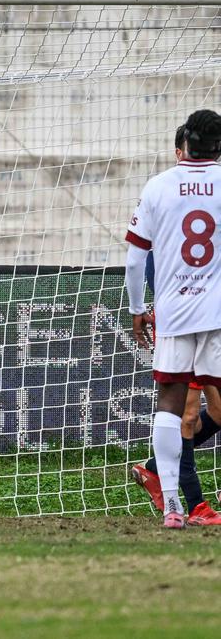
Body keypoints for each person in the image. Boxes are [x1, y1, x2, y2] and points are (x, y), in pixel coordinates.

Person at [126, 109, 221, 529]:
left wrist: (136, 309)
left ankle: (172, 508)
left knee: (169, 404)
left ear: (183, 144)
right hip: (219, 311)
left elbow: (134, 258)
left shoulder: (158, 186)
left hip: (176, 310)